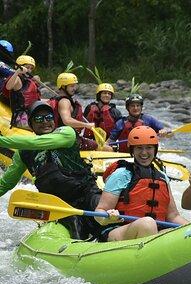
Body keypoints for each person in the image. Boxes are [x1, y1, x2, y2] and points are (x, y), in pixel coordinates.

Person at [0, 100, 103, 239]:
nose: (45, 122)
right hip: (58, 206)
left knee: (101, 210)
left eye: (48, 117)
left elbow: (35, 143)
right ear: (31, 125)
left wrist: (2, 141)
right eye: (38, 118)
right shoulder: (23, 153)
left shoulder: (67, 133)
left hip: (87, 194)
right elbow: (6, 183)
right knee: (74, 225)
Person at [95, 125, 188, 241]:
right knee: (147, 223)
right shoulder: (121, 174)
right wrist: (108, 218)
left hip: (153, 231)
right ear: (132, 150)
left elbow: (173, 216)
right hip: (120, 230)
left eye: (149, 147)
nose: (144, 153)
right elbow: (100, 211)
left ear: (155, 149)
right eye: (139, 148)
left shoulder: (162, 177)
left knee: (178, 232)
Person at [49, 72, 111, 151]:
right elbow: (66, 120)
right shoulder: (64, 101)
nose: (74, 88)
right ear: (63, 86)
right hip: (68, 140)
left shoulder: (58, 99)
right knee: (107, 149)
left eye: (74, 86)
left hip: (63, 137)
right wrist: (86, 125)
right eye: (71, 86)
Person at [106, 94, 171, 153]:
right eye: (132, 106)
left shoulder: (149, 120)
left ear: (141, 107)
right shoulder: (121, 123)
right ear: (127, 108)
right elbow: (110, 141)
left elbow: (169, 133)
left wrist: (165, 131)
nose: (135, 108)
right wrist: (106, 146)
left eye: (138, 106)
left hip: (144, 156)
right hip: (125, 155)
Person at [2, 55, 41, 128]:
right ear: (18, 67)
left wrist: (35, 81)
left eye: (31, 68)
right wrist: (17, 72)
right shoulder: (17, 78)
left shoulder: (28, 80)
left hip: (31, 115)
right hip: (20, 118)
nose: (29, 70)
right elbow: (8, 87)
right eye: (27, 67)